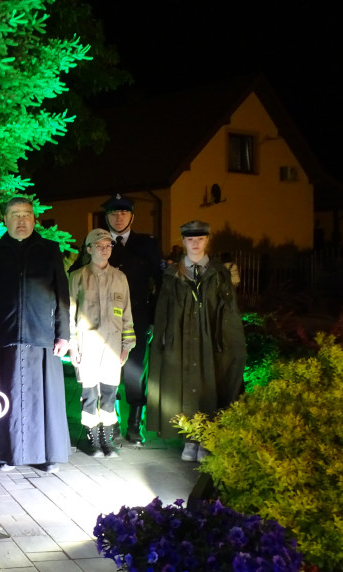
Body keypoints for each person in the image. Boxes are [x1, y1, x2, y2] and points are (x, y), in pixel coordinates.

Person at [0, 198, 70, 473]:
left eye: (27, 215)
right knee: (5, 394)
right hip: (5, 335)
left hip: (42, 335)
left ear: (34, 219)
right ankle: (2, 454)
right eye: (15, 215)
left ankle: (48, 455)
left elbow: (62, 294)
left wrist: (64, 334)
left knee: (46, 399)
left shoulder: (50, 250)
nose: (21, 220)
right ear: (5, 219)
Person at [147, 220, 246, 460]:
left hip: (210, 338)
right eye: (190, 239)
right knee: (183, 385)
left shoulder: (219, 274)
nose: (195, 244)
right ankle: (189, 438)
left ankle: (207, 437)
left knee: (208, 384)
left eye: (200, 239)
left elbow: (229, 311)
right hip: (181, 338)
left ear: (207, 241)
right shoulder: (172, 275)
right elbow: (163, 311)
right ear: (183, 242)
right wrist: (162, 340)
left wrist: (231, 342)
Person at [101, 194, 163, 444]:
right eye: (114, 214)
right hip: (106, 317)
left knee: (135, 371)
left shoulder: (146, 245)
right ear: (107, 217)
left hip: (137, 315)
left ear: (132, 216)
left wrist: (153, 318)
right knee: (107, 368)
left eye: (123, 213)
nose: (118, 218)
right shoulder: (99, 242)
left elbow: (161, 282)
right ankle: (112, 421)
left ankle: (135, 425)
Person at [68, 228, 135, 458]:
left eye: (108, 245)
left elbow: (126, 313)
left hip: (112, 345)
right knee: (89, 393)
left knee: (109, 392)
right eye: (99, 246)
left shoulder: (120, 278)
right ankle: (92, 438)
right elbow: (69, 313)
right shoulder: (77, 276)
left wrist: (127, 345)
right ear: (88, 249)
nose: (105, 250)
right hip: (87, 344)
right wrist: (72, 345)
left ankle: (107, 438)